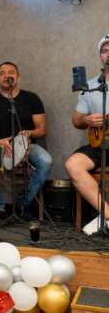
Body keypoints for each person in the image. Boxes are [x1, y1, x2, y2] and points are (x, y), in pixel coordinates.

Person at [0, 62, 51, 219]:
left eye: (11, 72)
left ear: (18, 77)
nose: (7, 76)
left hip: (27, 146)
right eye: (2, 73)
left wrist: (28, 133)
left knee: (45, 160)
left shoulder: (32, 99)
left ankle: (25, 205)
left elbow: (42, 130)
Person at [66, 34, 109, 235]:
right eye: (105, 50)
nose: (108, 54)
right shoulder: (89, 86)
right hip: (99, 144)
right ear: (100, 57)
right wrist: (87, 120)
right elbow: (77, 120)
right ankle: (107, 215)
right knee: (72, 164)